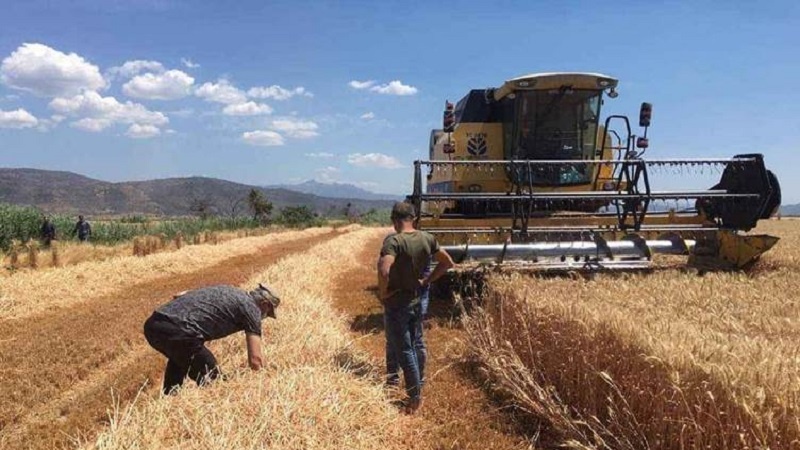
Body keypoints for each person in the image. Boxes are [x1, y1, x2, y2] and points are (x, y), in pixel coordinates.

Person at [378, 202, 454, 414]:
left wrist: (384, 293)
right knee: (416, 341)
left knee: (404, 349)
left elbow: (384, 269)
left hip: (397, 303)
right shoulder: (426, 238)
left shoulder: (394, 241)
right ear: (414, 218)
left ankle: (414, 397)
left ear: (394, 220)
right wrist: (427, 280)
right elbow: (447, 262)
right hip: (416, 300)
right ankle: (419, 381)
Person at [143, 283, 281, 395]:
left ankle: (170, 399)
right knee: (215, 382)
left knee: (181, 358)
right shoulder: (252, 309)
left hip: (154, 324)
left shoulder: (229, 289)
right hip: (181, 332)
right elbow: (255, 361)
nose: (264, 316)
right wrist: (264, 386)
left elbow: (180, 295)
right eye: (268, 313)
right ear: (264, 304)